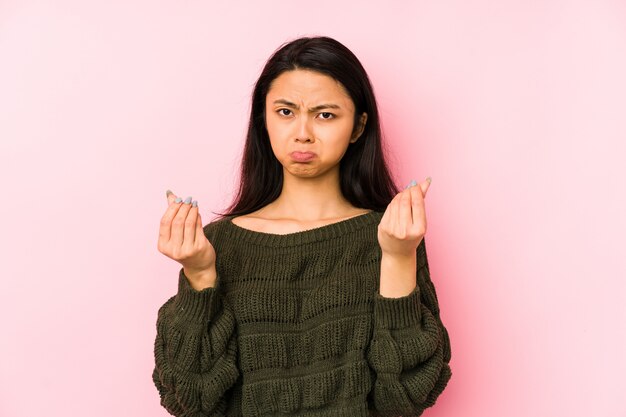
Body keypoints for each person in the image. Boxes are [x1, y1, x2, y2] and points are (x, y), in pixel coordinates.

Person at [153, 35, 452, 416]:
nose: (303, 133)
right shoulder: (216, 245)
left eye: (325, 114)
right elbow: (191, 399)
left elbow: (405, 397)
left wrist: (396, 256)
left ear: (358, 126)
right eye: (285, 112)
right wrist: (199, 273)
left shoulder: (389, 237)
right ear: (263, 118)